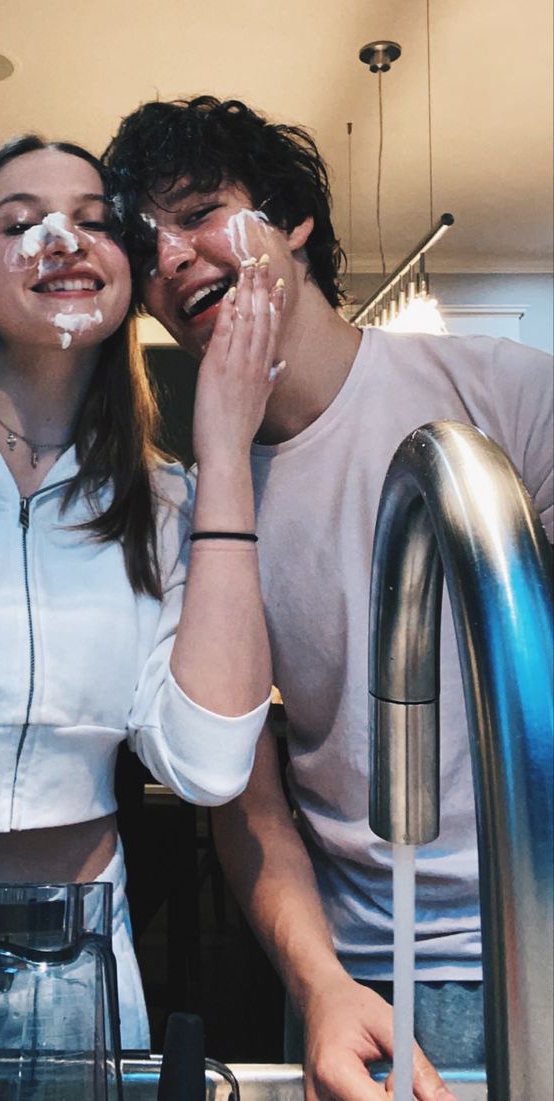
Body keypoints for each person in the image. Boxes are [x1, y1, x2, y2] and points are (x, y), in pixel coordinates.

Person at [103, 96, 554, 1100]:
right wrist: (318, 987)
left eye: (199, 212)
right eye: (147, 242)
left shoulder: (502, 393)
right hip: (366, 971)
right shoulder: (201, 505)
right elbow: (244, 797)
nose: (170, 256)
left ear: (292, 218)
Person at [0, 133, 287, 1064]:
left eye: (95, 222)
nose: (62, 239)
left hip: (80, 973)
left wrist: (224, 451)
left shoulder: (160, 503)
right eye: (22, 223)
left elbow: (206, 763)